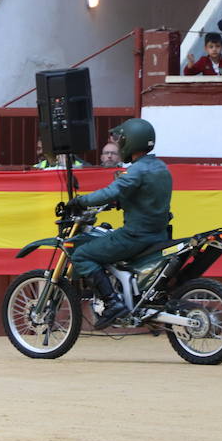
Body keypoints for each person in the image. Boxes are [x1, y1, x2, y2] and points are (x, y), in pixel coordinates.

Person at [65, 118, 172, 329]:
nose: (119, 145)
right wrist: (121, 201)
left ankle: (113, 303)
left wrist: (80, 201)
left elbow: (111, 191)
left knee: (82, 254)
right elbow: (144, 196)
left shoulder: (137, 170)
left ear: (130, 142)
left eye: (121, 141)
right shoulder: (160, 167)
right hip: (158, 234)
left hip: (135, 236)